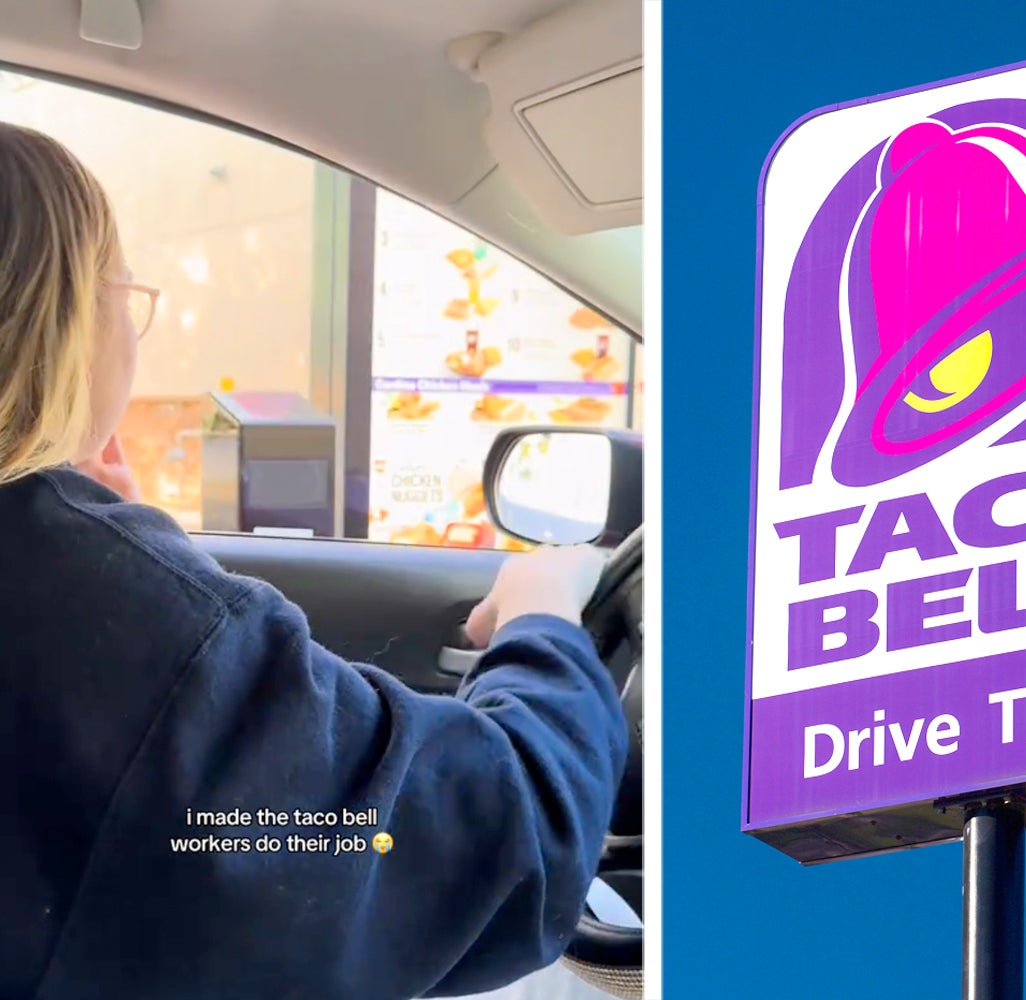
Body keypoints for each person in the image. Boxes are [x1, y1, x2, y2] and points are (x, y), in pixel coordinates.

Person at [0, 123, 629, 997]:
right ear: (63, 318)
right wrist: (543, 617)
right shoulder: (87, 596)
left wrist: (125, 547)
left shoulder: (83, 579)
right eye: (123, 292)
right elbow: (505, 844)